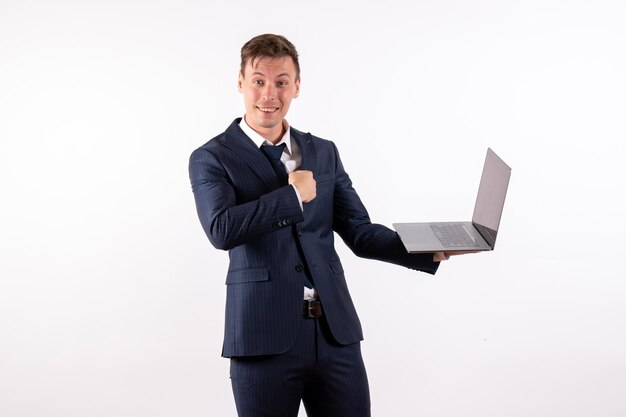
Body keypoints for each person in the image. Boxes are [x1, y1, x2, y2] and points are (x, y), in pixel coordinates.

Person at [189, 33, 465, 417]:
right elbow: (221, 229)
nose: (269, 93)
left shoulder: (323, 151)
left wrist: (426, 246)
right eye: (258, 81)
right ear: (240, 82)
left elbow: (359, 231)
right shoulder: (211, 157)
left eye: (281, 82)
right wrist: (291, 196)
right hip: (262, 337)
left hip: (335, 334)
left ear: (296, 86)